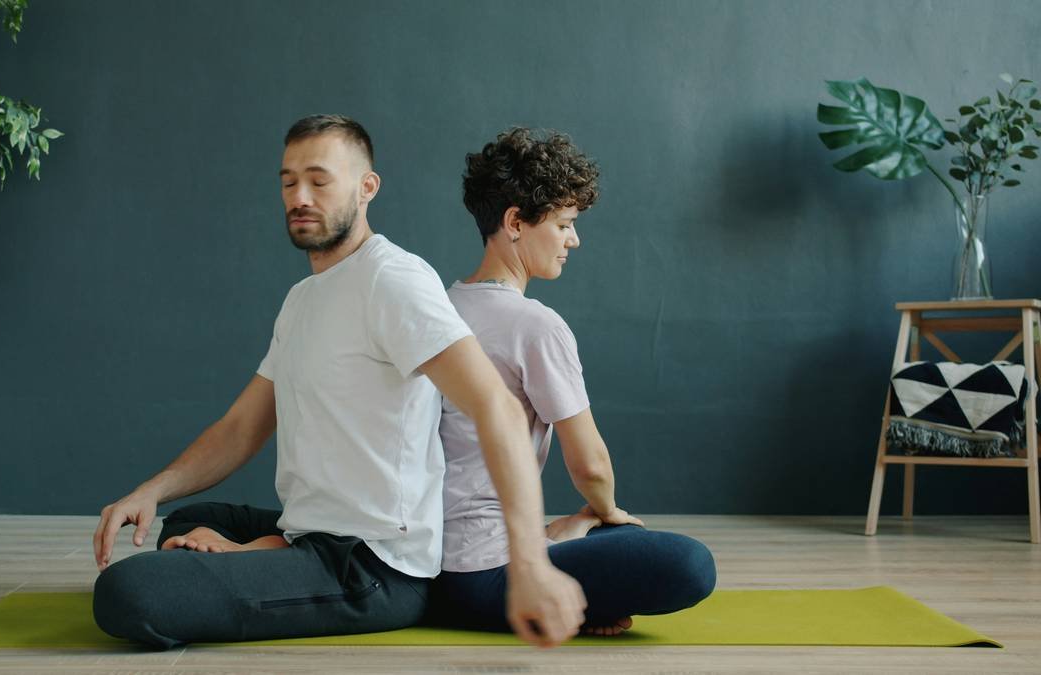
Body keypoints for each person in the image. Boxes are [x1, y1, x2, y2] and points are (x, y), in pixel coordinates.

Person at [90, 115, 586, 650]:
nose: (300, 196)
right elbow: (241, 427)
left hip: (374, 566)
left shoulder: (393, 280)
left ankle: (264, 557)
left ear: (366, 188)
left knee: (131, 592)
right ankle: (270, 550)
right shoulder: (303, 298)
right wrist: (151, 490)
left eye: (320, 181)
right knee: (188, 517)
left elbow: (499, 408)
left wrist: (530, 565)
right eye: (288, 181)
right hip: (314, 533)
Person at [430, 128, 716, 635]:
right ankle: (569, 566)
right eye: (564, 224)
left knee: (595, 538)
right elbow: (591, 465)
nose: (574, 239)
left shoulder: (440, 308)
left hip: (431, 568)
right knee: (690, 564)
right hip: (493, 573)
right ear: (515, 222)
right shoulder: (536, 326)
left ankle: (564, 538)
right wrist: (607, 512)